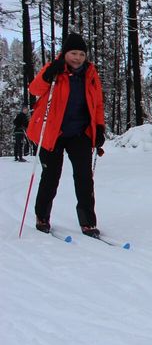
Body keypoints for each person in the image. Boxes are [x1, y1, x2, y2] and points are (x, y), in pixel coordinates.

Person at [27, 32, 106, 238]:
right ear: (65, 53)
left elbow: (97, 104)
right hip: (53, 132)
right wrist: (47, 74)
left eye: (81, 54)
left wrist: (99, 129)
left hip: (79, 133)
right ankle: (42, 216)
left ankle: (88, 222)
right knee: (51, 176)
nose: (77, 58)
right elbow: (34, 89)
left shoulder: (90, 73)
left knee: (84, 178)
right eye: (73, 53)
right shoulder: (54, 69)